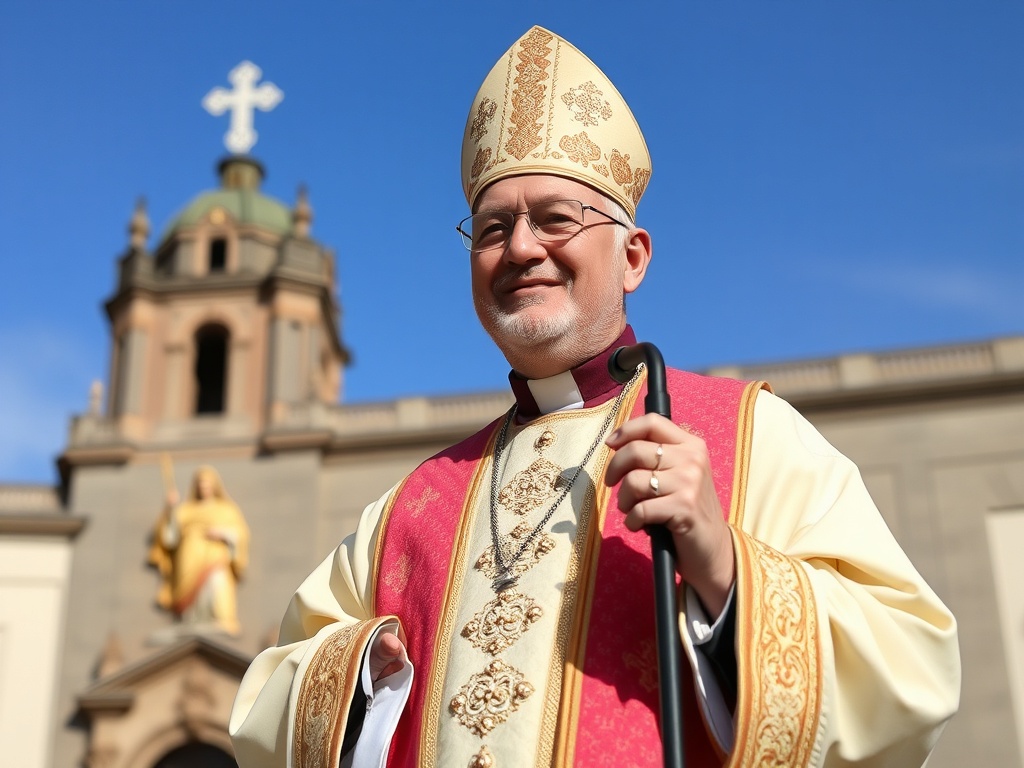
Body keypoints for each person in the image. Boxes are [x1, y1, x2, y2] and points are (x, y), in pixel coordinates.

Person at [229, 25, 960, 767]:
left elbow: (911, 668)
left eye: (555, 218)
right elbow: (269, 702)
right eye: (492, 228)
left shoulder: (753, 437)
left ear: (633, 257)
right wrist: (357, 675)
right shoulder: (407, 507)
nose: (521, 248)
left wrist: (722, 565)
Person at [149, 464, 249, 635]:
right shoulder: (185, 509)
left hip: (216, 556)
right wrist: (170, 509)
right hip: (188, 555)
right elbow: (169, 538)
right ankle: (189, 621)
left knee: (216, 584)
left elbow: (240, 534)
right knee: (190, 592)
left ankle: (219, 619)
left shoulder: (226, 509)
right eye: (201, 484)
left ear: (214, 486)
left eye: (207, 484)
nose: (204, 488)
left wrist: (223, 533)